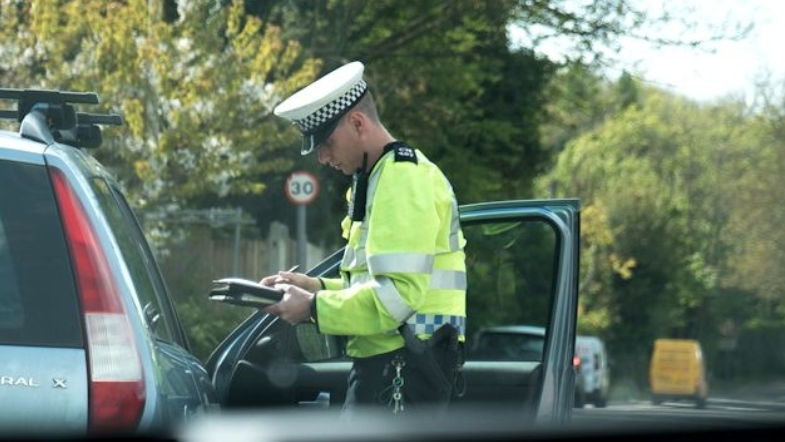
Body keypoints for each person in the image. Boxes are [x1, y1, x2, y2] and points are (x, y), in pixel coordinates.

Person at [261, 61, 467, 417]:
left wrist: (312, 308)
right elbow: (372, 283)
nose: (323, 158)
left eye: (326, 142)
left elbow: (396, 299)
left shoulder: (400, 181)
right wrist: (315, 286)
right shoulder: (381, 177)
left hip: (403, 366)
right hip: (397, 366)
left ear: (358, 123)